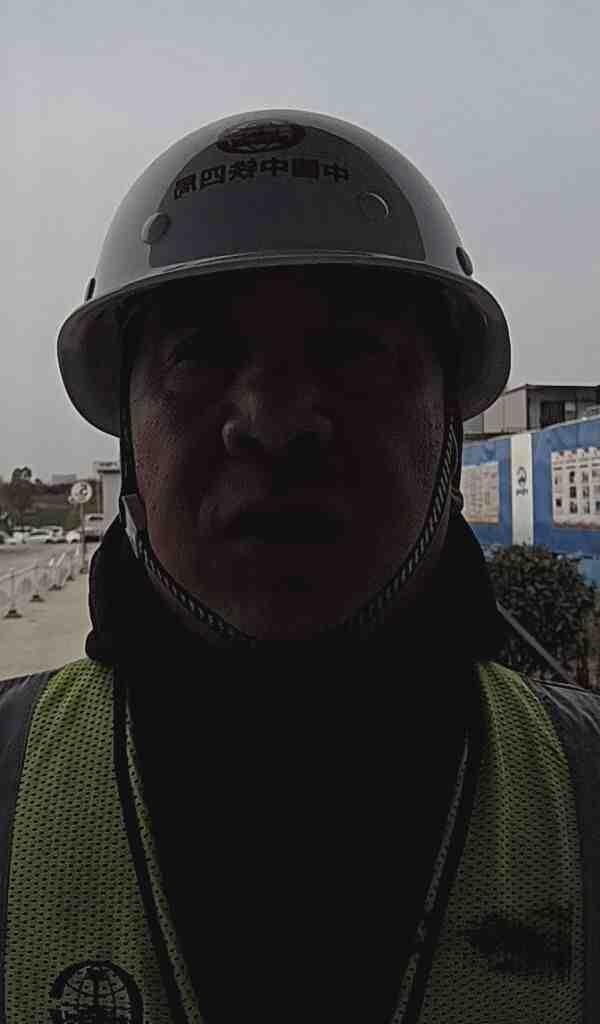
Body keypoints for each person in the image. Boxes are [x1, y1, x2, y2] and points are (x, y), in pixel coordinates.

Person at [1, 110, 598, 1024]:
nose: (276, 425)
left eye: (353, 350)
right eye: (201, 353)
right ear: (129, 439)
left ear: (449, 424)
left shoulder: (582, 786)